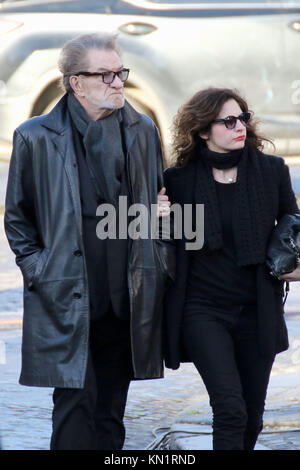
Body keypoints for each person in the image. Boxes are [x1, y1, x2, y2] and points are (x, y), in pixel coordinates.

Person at [4, 32, 174, 450]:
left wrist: (160, 245)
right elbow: (17, 219)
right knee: (73, 410)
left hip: (128, 294)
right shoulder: (35, 136)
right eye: (106, 75)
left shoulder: (143, 130)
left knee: (112, 413)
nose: (118, 83)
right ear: (75, 82)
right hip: (65, 293)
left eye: (121, 73)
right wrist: (39, 269)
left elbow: (159, 204)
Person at [163, 88, 299, 450]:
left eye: (243, 118)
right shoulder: (178, 180)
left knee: (252, 414)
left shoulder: (271, 171)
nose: (239, 126)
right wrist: (158, 218)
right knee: (230, 409)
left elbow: (292, 227)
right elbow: (155, 240)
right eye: (227, 120)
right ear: (203, 130)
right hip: (202, 309)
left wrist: (295, 264)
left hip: (258, 308)